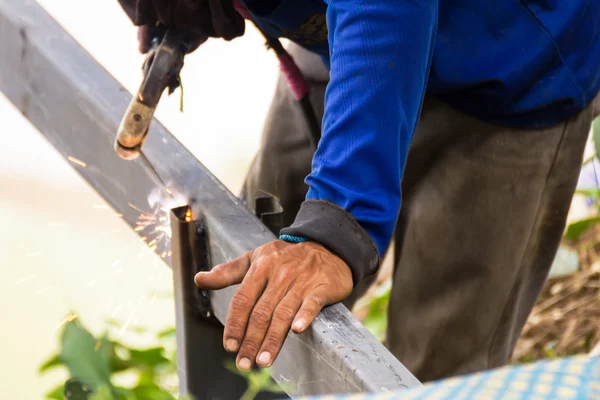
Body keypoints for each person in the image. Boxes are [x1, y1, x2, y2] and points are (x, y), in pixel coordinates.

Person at [117, 0, 600, 382]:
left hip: (511, 58)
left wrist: (336, 226)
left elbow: (387, 8)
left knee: (434, 371)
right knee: (250, 284)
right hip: (341, 38)